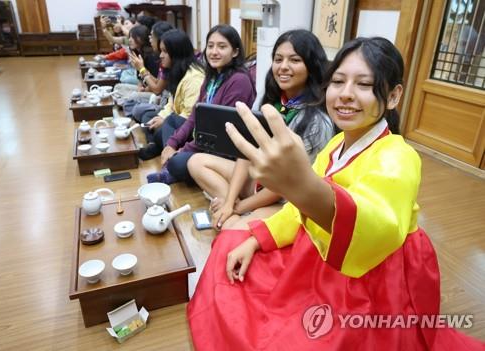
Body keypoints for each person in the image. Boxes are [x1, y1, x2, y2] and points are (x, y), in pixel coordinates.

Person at [187, 37, 485, 350]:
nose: (345, 94)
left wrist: (303, 187)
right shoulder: (335, 145)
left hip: (371, 274)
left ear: (394, 95)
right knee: (231, 244)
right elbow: (297, 209)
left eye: (364, 84)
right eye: (338, 81)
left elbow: (378, 225)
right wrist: (257, 239)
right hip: (320, 251)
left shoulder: (399, 156)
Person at [187, 29, 334, 229]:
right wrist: (230, 202)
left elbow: (287, 185)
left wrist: (240, 207)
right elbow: (245, 153)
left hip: (287, 198)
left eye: (294, 60)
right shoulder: (272, 101)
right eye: (278, 59)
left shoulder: (317, 121)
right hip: (259, 181)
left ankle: (237, 215)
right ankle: (228, 206)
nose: (283, 67)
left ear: (312, 65)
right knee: (195, 162)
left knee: (230, 229)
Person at [144, 24, 257, 185]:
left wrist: (184, 150)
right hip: (204, 138)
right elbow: (194, 116)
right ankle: (173, 163)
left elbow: (219, 130)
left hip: (222, 149)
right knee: (170, 122)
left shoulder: (239, 81)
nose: (214, 51)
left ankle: (175, 169)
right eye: (210, 46)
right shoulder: (212, 77)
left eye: (222, 46)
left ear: (235, 52)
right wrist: (171, 144)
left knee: (176, 162)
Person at [137, 29, 205, 161]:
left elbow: (190, 116)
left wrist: (165, 121)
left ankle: (166, 153)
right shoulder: (177, 70)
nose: (160, 55)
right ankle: (159, 146)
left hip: (190, 128)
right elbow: (171, 103)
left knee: (166, 124)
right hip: (177, 120)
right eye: (161, 50)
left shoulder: (194, 78)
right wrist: (161, 116)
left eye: (165, 51)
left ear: (177, 53)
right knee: (150, 120)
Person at [127, 21, 174, 124]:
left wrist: (142, 70)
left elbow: (157, 89)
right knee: (129, 98)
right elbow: (157, 81)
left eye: (152, 36)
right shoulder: (161, 56)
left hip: (164, 100)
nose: (150, 39)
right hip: (163, 98)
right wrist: (142, 69)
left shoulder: (163, 57)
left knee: (134, 105)